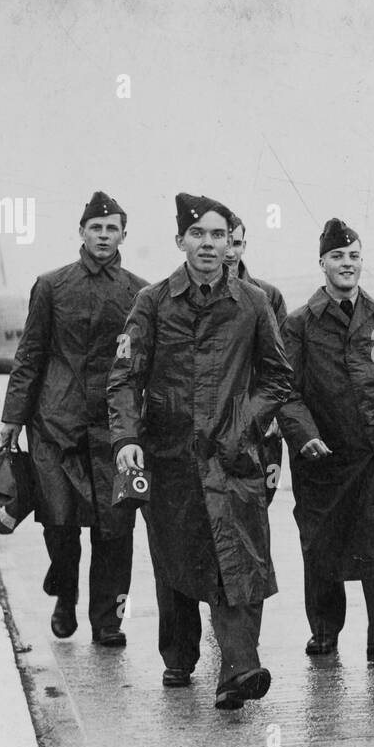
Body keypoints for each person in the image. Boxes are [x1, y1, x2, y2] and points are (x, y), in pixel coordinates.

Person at [108, 193, 291, 709]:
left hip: (236, 457)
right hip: (171, 455)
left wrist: (242, 424)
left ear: (229, 242)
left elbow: (278, 375)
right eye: (198, 235)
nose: (208, 244)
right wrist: (126, 440)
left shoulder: (251, 303)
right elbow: (124, 377)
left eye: (218, 235)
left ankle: (238, 668)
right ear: (180, 241)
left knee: (240, 558)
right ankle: (179, 656)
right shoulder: (153, 302)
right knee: (180, 558)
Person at [0, 191, 147, 646]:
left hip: (114, 429)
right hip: (54, 425)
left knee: (115, 527)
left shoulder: (141, 293)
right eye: (95, 228)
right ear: (81, 232)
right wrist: (11, 419)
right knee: (58, 521)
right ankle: (64, 591)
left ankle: (107, 621)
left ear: (125, 234)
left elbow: (144, 362)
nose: (104, 236)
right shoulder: (51, 285)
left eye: (112, 229)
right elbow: (29, 356)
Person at [277, 218, 374, 663]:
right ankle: (324, 632)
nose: (347, 264)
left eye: (354, 256)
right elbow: (285, 391)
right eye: (337, 256)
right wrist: (305, 436)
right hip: (323, 456)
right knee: (321, 546)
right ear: (322, 263)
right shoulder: (298, 324)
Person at [224, 217, 287, 504]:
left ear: (244, 246)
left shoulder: (268, 297)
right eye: (224, 241)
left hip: (260, 421)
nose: (229, 251)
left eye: (235, 243)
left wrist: (275, 413)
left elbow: (284, 364)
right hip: (214, 421)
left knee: (259, 503)